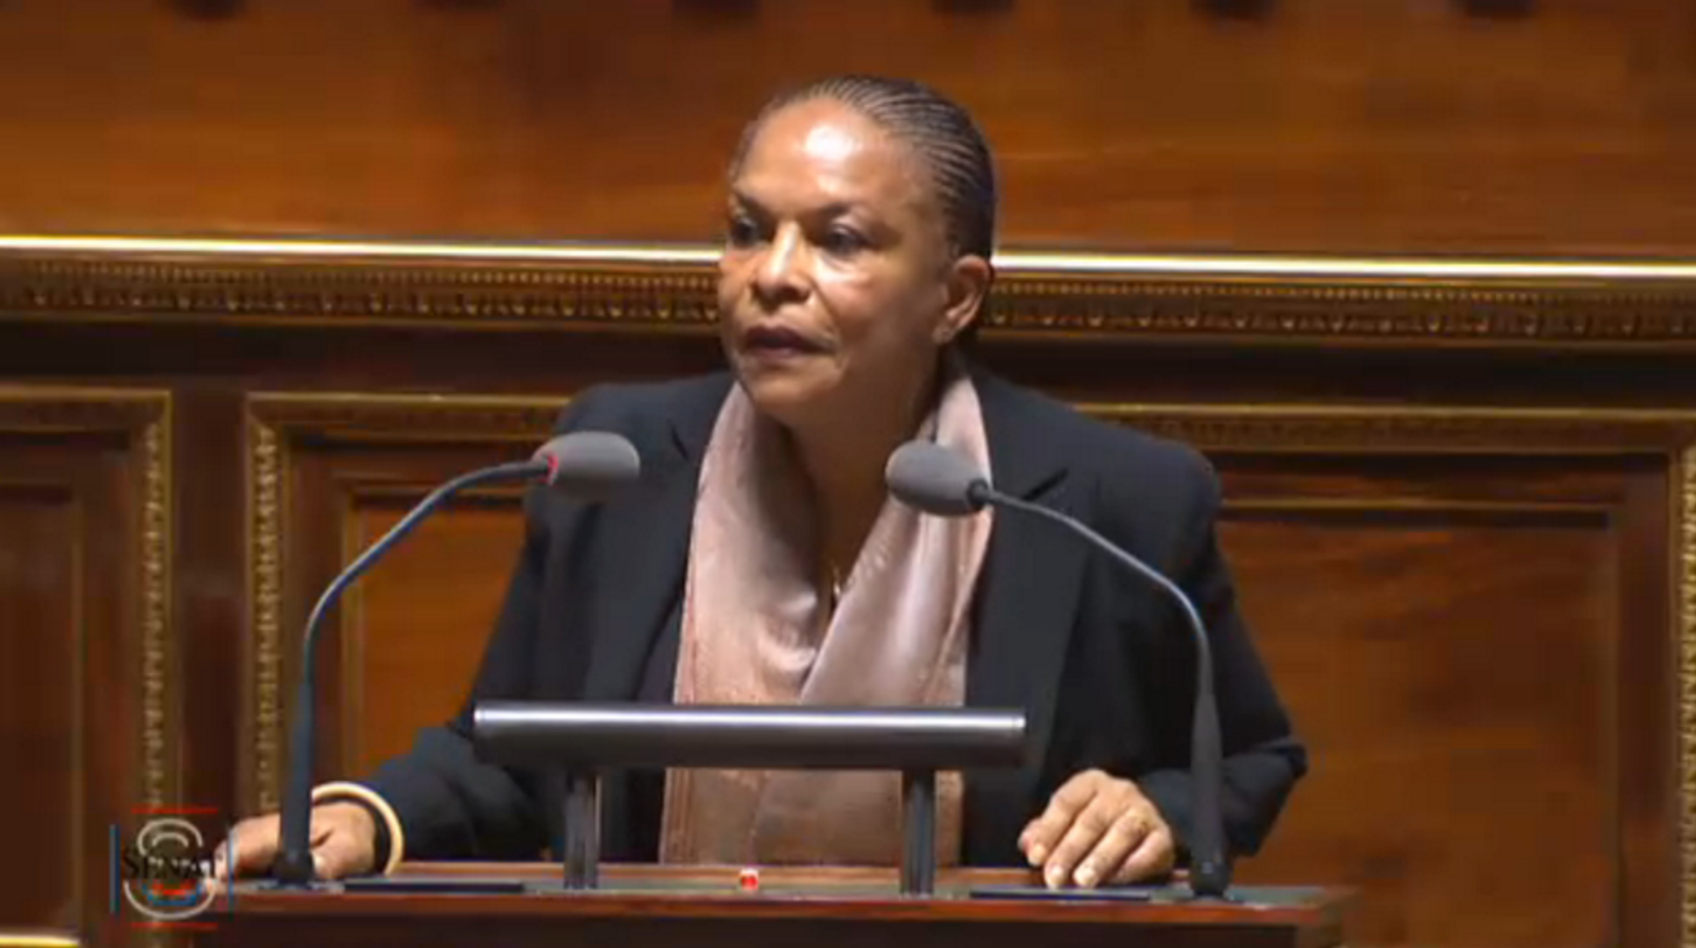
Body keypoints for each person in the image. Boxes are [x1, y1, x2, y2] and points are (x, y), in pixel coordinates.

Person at [218, 74, 1306, 891]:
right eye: (747, 231)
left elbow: (1251, 758)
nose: (772, 276)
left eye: (839, 241)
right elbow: (515, 759)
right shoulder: (621, 459)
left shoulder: (1113, 499)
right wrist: (367, 818)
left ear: (956, 296)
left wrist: (1156, 808)